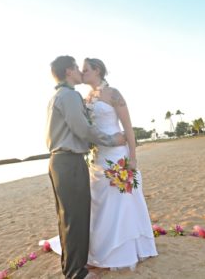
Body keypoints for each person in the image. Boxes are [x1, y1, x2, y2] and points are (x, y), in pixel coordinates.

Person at [46, 55, 126, 279]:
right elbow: (83, 129)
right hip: (69, 162)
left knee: (67, 218)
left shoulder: (58, 96)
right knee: (76, 218)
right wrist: (111, 141)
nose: (80, 72)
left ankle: (70, 268)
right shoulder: (70, 96)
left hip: (59, 162)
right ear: (69, 71)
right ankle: (77, 273)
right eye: (76, 68)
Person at [82, 58, 158, 271]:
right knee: (100, 203)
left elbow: (128, 128)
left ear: (97, 70)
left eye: (85, 69)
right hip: (98, 157)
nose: (82, 72)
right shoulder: (85, 98)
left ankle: (127, 249)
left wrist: (133, 158)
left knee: (122, 201)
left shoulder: (114, 93)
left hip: (117, 155)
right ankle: (102, 249)